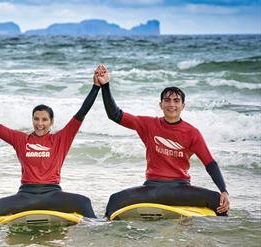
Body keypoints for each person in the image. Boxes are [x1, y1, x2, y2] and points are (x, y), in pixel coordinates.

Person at [96, 64, 230, 218]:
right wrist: (105, 85)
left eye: (176, 100)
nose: (171, 104)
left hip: (181, 189)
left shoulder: (192, 133)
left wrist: (223, 190)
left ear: (183, 105)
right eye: (167, 100)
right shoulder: (148, 124)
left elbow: (210, 163)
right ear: (161, 105)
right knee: (114, 200)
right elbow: (115, 114)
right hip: (152, 188)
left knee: (220, 202)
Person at [0, 66, 103, 219]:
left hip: (53, 195)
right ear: (32, 120)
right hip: (25, 195)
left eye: (44, 120)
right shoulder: (21, 139)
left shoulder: (60, 139)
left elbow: (82, 112)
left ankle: (97, 232)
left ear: (51, 122)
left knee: (84, 203)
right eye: (36, 119)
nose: (40, 123)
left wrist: (96, 86)